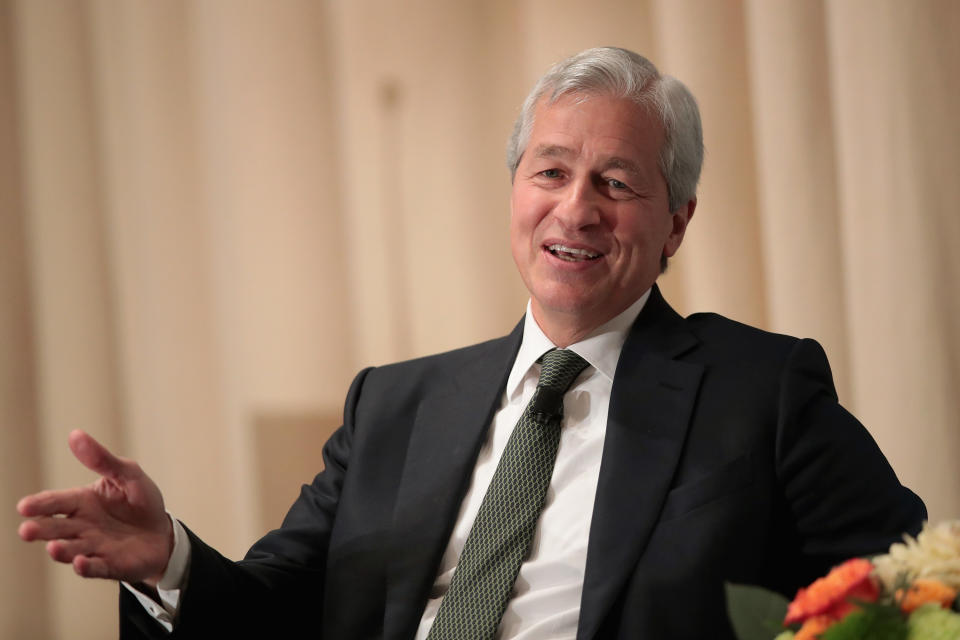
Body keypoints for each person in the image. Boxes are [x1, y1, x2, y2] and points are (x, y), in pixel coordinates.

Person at [17, 47, 925, 639]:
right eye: (552, 172)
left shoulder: (757, 390)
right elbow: (274, 614)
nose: (576, 209)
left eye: (616, 182)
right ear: (516, 192)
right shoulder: (395, 406)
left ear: (676, 224)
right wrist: (168, 559)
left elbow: (909, 592)